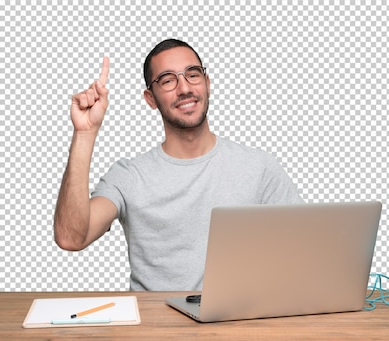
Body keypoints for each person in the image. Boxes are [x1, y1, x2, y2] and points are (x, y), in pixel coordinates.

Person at [53, 39, 303, 291]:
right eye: (168, 80)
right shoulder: (128, 176)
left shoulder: (258, 167)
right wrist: (84, 134)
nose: (184, 88)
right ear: (150, 98)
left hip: (236, 324)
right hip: (155, 327)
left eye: (193, 75)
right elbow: (71, 237)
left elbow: (304, 249)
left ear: (207, 84)